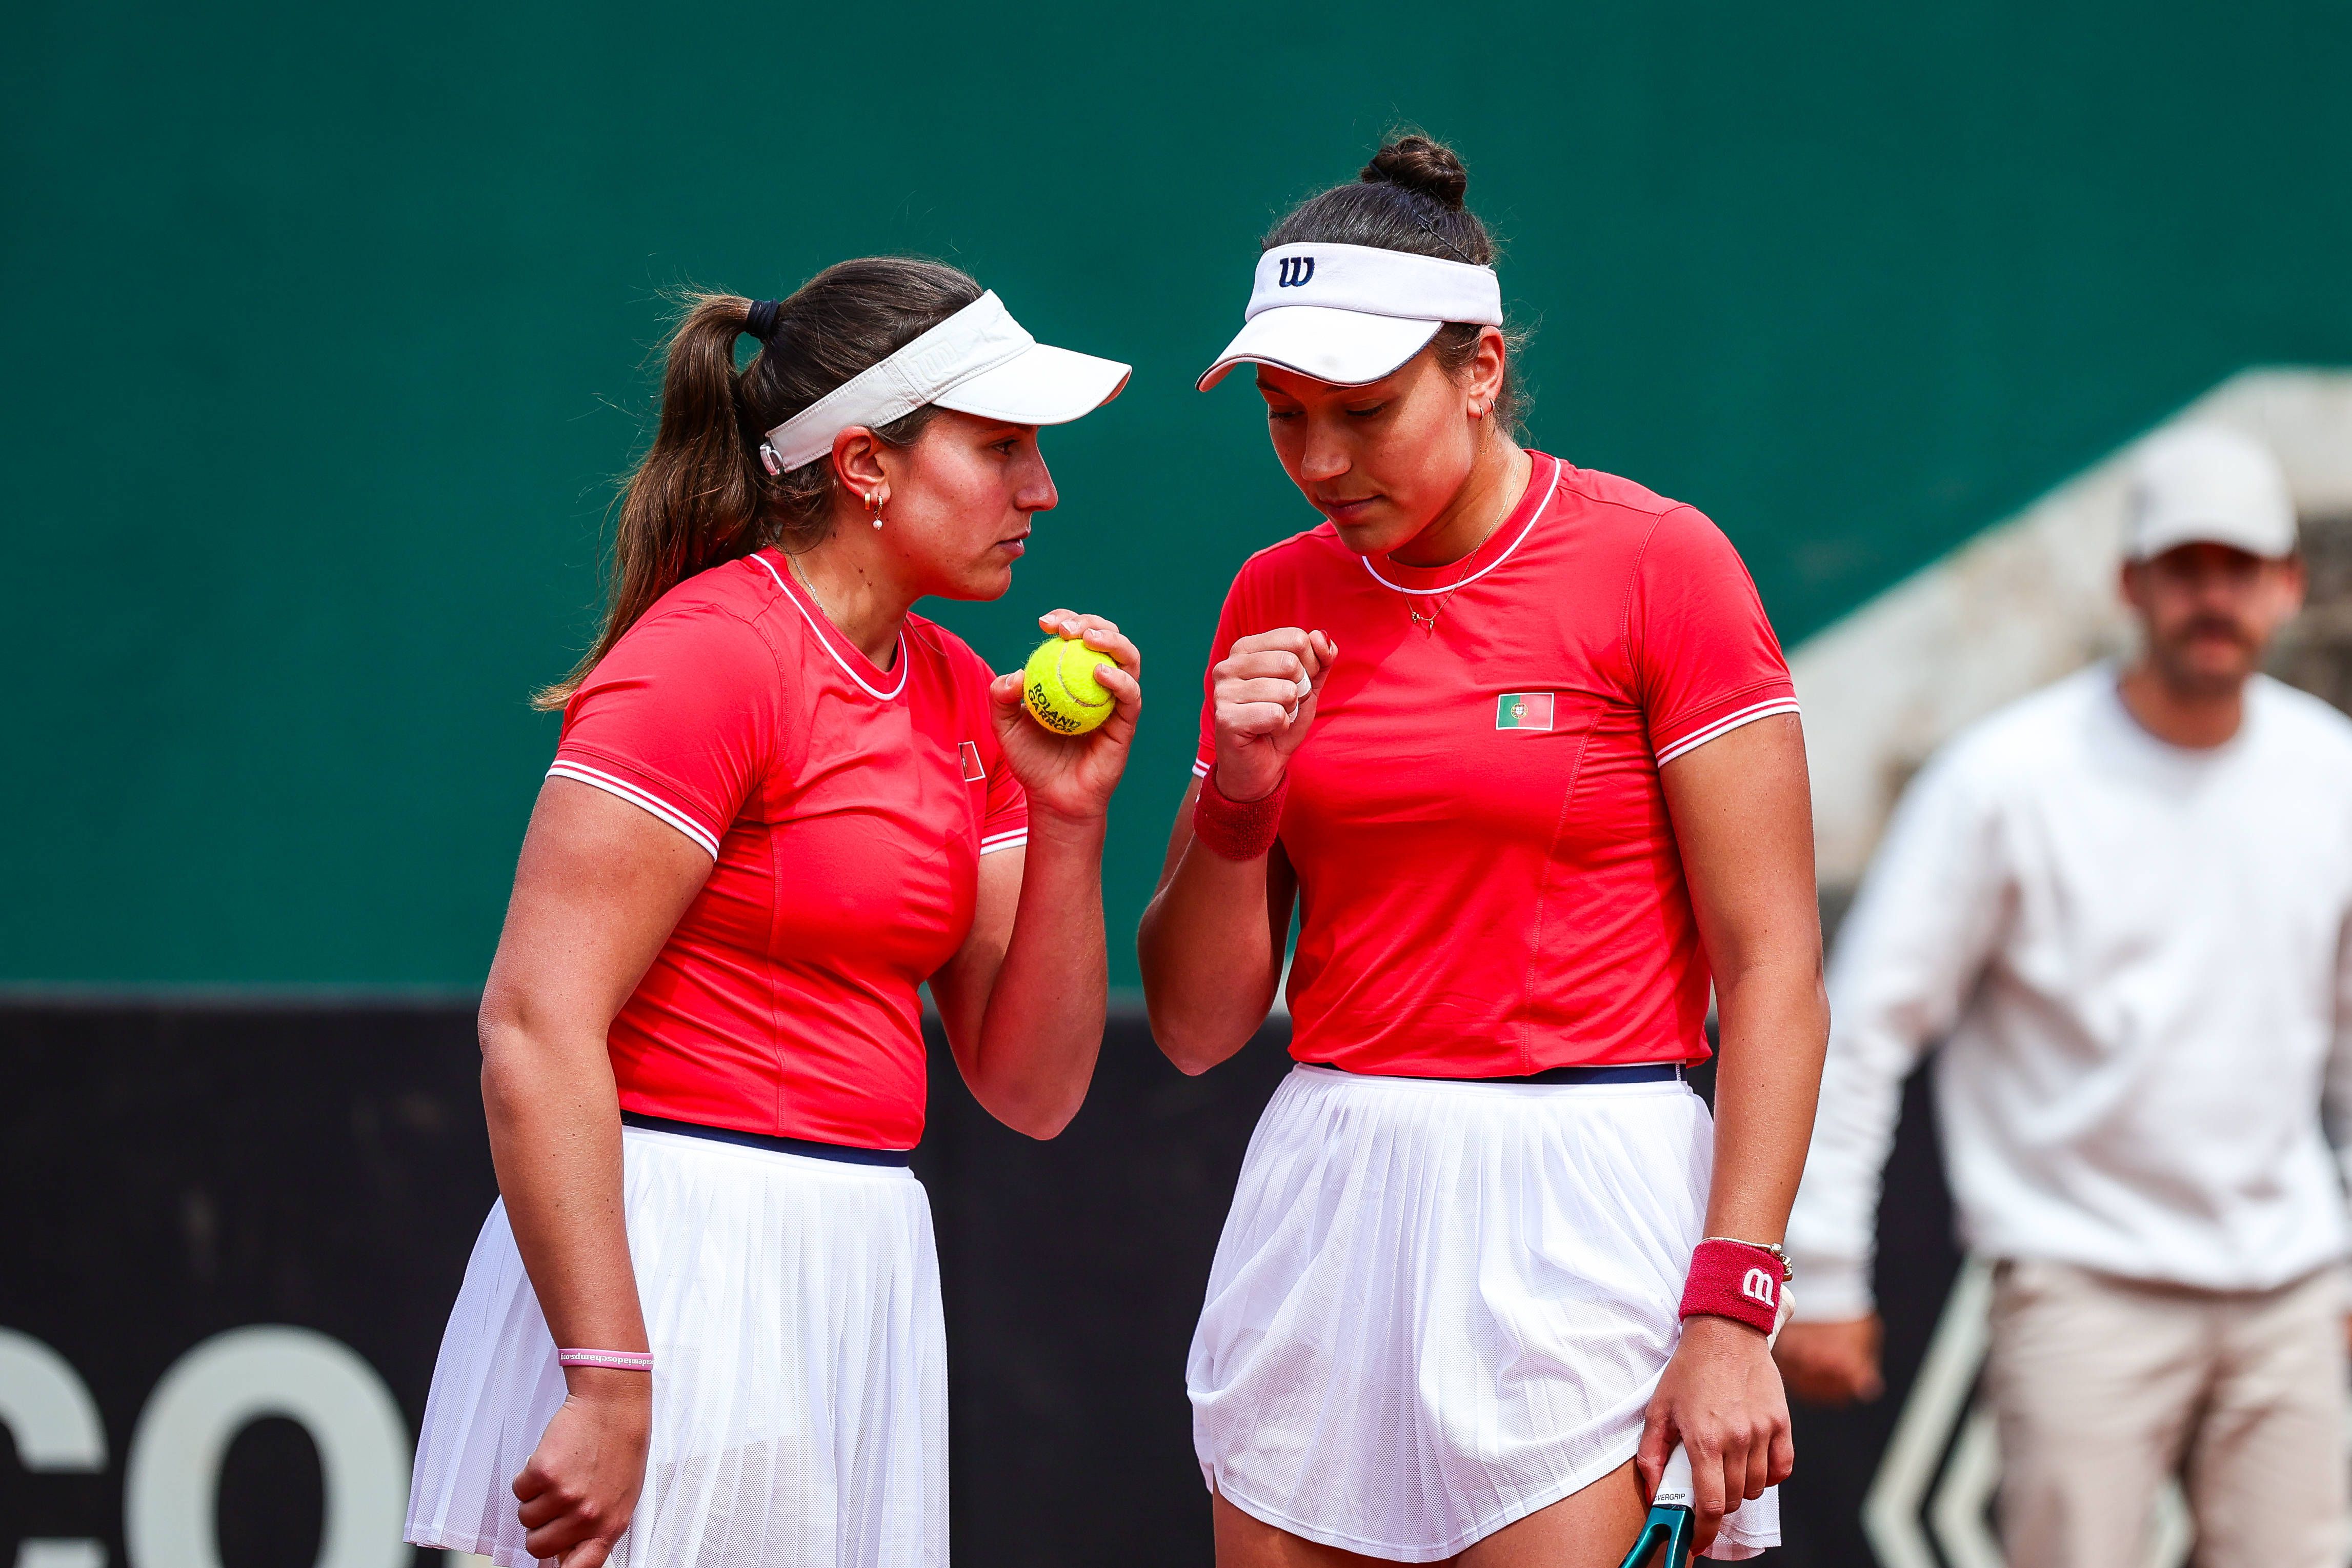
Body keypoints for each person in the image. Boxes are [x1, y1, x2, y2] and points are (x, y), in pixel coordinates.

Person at [1137, 136, 1830, 1566]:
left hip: (1585, 1206)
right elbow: (1201, 1025)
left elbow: (1773, 971)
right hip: (1324, 1188)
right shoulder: (1270, 592)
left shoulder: (1662, 565)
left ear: (1480, 369)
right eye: (1282, 415)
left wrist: (1730, 1307)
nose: (1320, 463)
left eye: (1364, 412)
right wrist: (1238, 796)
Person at [404, 258, 1140, 1568]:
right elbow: (531, 1023)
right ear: (864, 464)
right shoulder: (712, 656)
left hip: (860, 1267)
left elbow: (1029, 1086)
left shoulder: (969, 698)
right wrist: (610, 1372)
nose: (1043, 489)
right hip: (677, 1266)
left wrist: (1072, 817)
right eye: (1002, 447)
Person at [1776, 425, 2352, 1567]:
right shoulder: (2004, 777)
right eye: (2183, 568)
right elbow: (1862, 1025)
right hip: (2078, 1287)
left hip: (2289, 1290)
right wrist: (1825, 1270)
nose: (2212, 597)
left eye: (2239, 569)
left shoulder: (2331, 770)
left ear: (2286, 587)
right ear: (2130, 582)